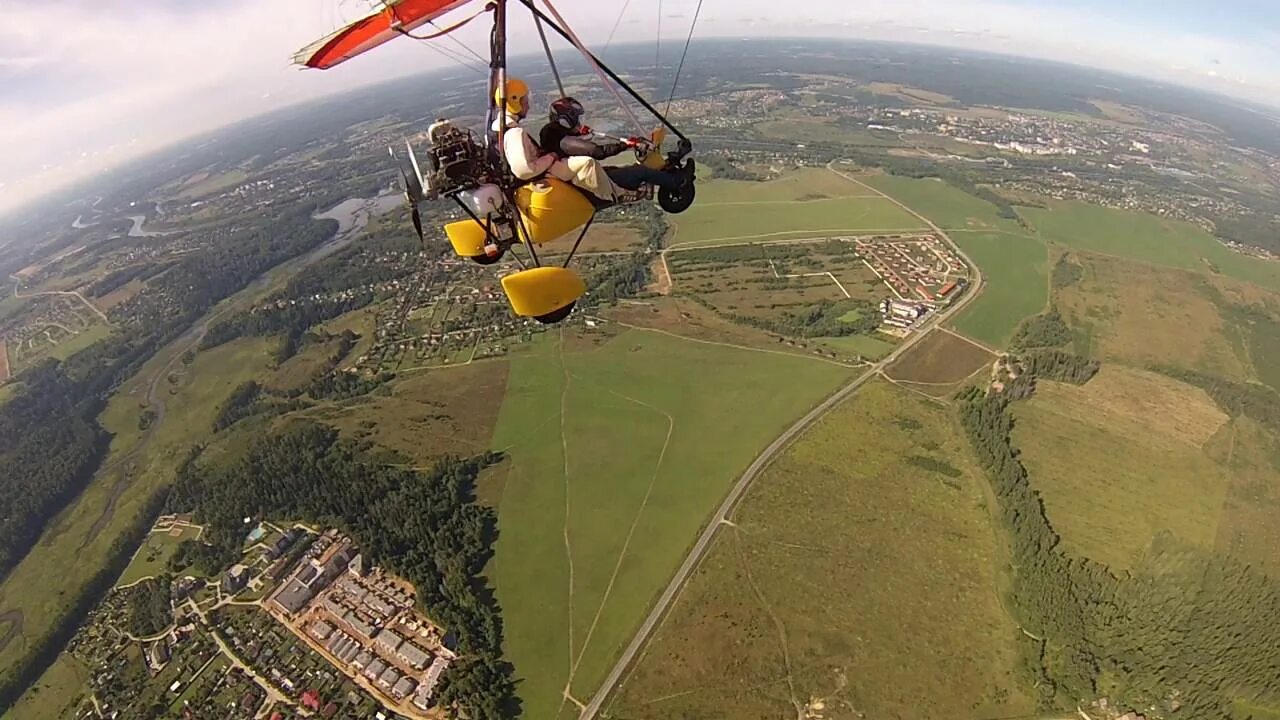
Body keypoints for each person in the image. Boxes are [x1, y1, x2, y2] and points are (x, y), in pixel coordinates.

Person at [492, 78, 617, 202]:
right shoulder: (515, 133)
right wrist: (551, 157)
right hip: (540, 173)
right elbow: (524, 171)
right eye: (525, 101)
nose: (528, 106)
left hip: (539, 169)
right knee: (588, 163)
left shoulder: (498, 128)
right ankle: (612, 196)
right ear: (515, 102)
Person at [539, 96, 691, 198]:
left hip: (581, 181)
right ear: (566, 120)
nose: (579, 123)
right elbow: (596, 151)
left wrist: (581, 135)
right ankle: (679, 181)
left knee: (618, 169)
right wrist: (625, 145)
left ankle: (655, 180)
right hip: (588, 187)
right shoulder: (564, 141)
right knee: (641, 171)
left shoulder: (552, 134)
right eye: (576, 119)